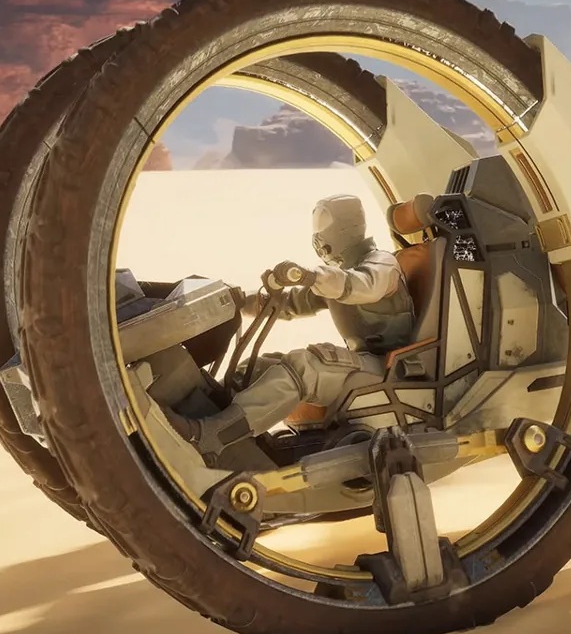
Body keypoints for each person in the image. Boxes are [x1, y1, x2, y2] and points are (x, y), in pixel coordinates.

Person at [164, 194, 415, 460]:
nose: (318, 234)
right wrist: (239, 301)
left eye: (323, 222)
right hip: (368, 362)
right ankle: (208, 414)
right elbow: (292, 303)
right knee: (261, 367)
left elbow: (361, 285)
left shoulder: (381, 263)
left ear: (346, 225)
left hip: (389, 367)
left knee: (306, 366)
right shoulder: (341, 273)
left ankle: (208, 437)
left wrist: (310, 275)